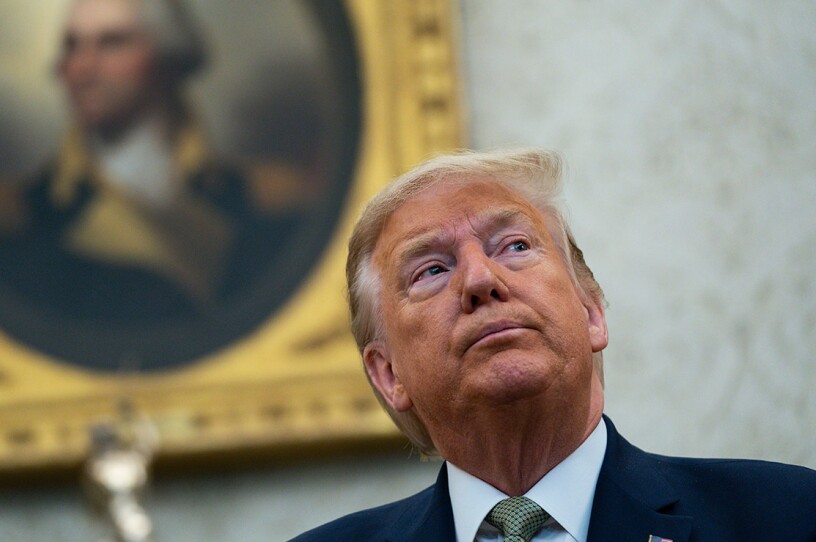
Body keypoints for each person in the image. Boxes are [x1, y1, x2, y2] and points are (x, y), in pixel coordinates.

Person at [292, 148, 816, 541]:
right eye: (431, 269)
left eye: (515, 246)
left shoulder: (789, 517)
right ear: (388, 375)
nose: (480, 278)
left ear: (591, 313)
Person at [0, 0, 301, 323]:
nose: (83, 68)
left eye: (112, 43)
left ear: (168, 60)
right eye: (73, 45)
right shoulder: (5, 218)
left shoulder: (269, 199)